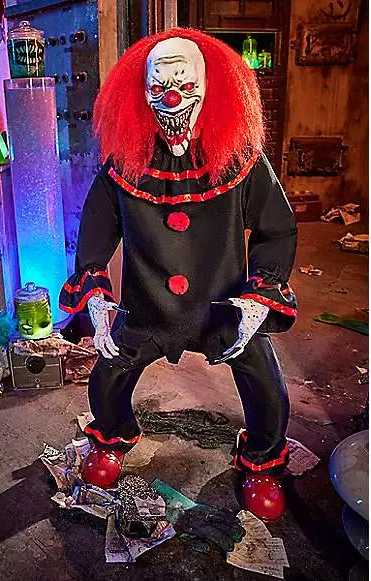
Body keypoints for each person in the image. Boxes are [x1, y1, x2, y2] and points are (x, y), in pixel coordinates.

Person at [59, 28, 297, 520]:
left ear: (209, 89)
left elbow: (276, 229)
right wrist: (97, 297)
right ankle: (112, 433)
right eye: (159, 86)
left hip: (222, 306)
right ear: (140, 93)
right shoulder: (124, 165)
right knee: (108, 374)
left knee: (264, 379)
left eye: (185, 85)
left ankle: (262, 459)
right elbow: (96, 230)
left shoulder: (240, 158)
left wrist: (258, 299)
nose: (172, 98)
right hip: (147, 308)